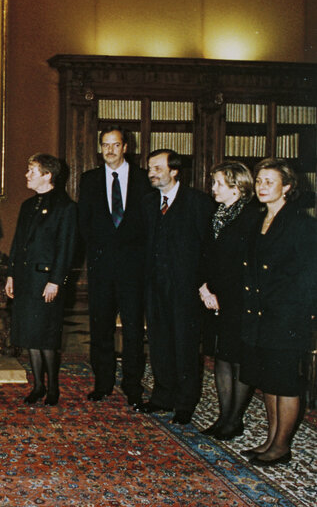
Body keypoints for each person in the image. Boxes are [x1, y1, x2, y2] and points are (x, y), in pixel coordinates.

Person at [239, 158, 317, 466]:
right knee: (268, 380)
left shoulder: (302, 224)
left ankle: (282, 447)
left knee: (284, 382)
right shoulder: (258, 219)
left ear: (287, 187)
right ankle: (271, 439)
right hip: (261, 313)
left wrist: (301, 312)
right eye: (259, 181)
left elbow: (310, 276)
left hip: (287, 315)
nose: (261, 187)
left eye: (269, 182)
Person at [136, 149, 214, 425]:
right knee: (159, 343)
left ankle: (185, 402)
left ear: (174, 171)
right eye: (149, 168)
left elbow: (207, 249)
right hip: (154, 287)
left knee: (185, 345)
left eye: (157, 167)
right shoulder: (147, 203)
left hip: (186, 288)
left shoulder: (198, 203)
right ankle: (162, 396)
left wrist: (203, 284)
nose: (151, 173)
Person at [77, 125, 151, 407]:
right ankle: (103, 383)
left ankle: (132, 384)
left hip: (134, 269)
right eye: (105, 145)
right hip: (101, 268)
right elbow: (84, 222)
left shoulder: (144, 180)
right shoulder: (89, 180)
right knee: (100, 328)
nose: (110, 150)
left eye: (115, 145)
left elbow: (148, 225)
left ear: (125, 147)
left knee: (133, 330)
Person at [6, 154, 76, 406]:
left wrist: (56, 281)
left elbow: (66, 248)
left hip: (46, 281)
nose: (27, 175)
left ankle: (53, 388)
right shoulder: (28, 205)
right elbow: (17, 244)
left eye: (32, 171)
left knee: (46, 336)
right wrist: (11, 274)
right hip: (25, 280)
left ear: (47, 175)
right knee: (29, 335)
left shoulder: (65, 207)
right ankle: (38, 386)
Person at [197, 162, 259, 440]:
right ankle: (224, 417)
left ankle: (235, 420)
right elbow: (205, 253)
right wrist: (204, 287)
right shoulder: (216, 214)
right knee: (222, 356)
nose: (213, 189)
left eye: (219, 184)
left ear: (237, 187)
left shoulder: (252, 216)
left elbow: (249, 263)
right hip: (215, 294)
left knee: (238, 358)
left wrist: (225, 293)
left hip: (239, 297)